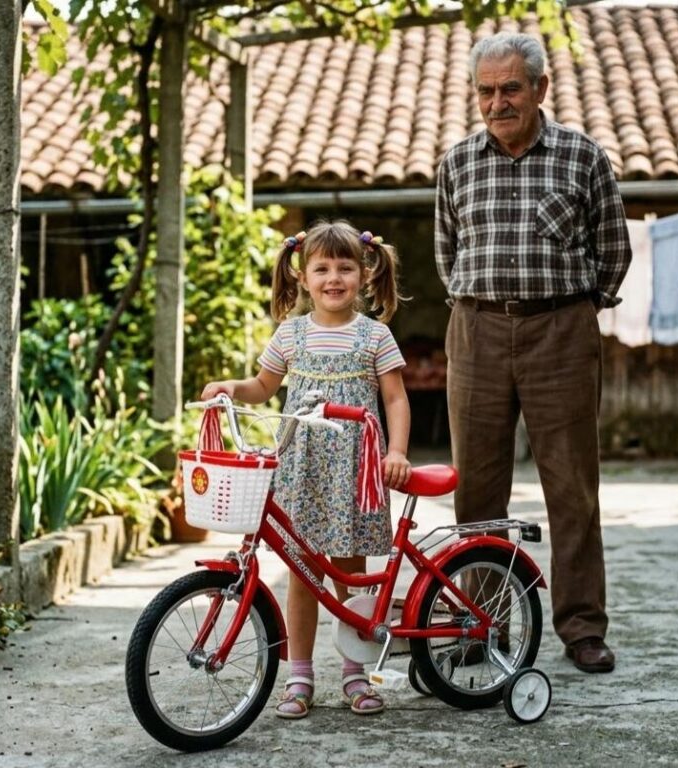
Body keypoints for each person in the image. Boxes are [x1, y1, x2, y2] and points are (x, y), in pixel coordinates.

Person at [434, 32, 631, 674]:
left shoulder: (583, 156)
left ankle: (582, 628)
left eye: (511, 88)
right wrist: (482, 309)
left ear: (541, 88)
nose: (498, 103)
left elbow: (614, 249)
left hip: (561, 332)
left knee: (572, 488)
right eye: (486, 91)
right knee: (477, 492)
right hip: (477, 332)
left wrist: (573, 313)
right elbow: (447, 253)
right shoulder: (456, 163)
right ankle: (481, 621)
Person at [201, 219, 412, 717]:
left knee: (350, 575)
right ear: (302, 276)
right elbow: (262, 387)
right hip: (302, 469)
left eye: (344, 268)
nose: (333, 278)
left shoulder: (375, 336)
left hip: (353, 471)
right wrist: (231, 387)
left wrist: (397, 452)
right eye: (322, 269)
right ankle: (299, 676)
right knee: (301, 573)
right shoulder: (291, 334)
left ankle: (355, 673)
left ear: (364, 273)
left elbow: (396, 399)